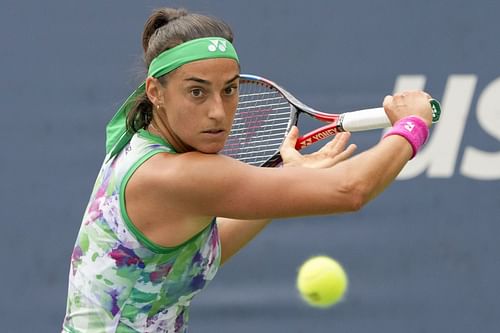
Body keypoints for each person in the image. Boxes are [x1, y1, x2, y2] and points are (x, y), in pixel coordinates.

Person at [62, 7, 435, 333]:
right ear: (155, 92)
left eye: (229, 90)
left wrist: (285, 181)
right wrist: (411, 126)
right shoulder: (174, 174)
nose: (217, 112)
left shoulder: (141, 146)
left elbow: (189, 260)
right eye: (197, 92)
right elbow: (350, 191)